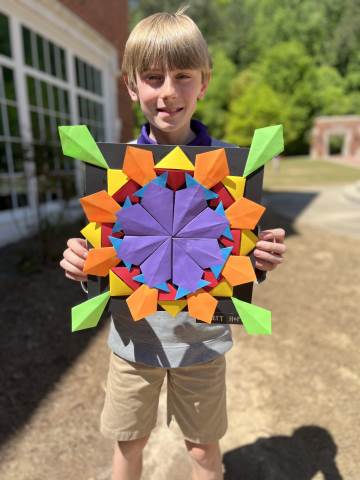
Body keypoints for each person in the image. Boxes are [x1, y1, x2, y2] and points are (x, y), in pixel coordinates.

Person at [60, 8, 286, 480]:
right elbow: (104, 264)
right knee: (128, 446)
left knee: (204, 451)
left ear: (203, 83)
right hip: (133, 343)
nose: (167, 92)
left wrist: (258, 260)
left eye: (183, 76)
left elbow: (229, 254)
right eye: (153, 77)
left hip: (201, 345)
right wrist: (84, 267)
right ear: (131, 86)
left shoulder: (232, 173)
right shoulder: (115, 176)